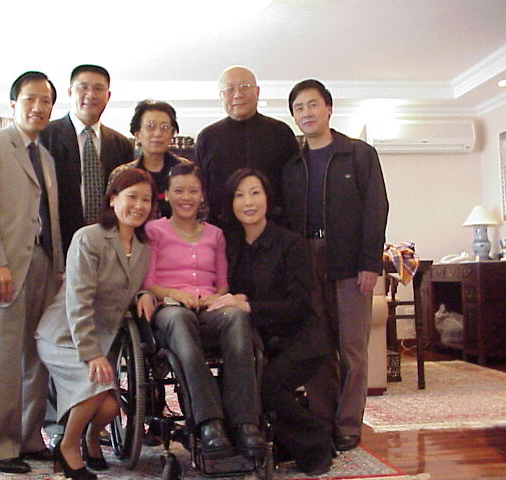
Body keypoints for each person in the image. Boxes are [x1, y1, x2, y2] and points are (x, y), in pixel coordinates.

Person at [0, 71, 64, 473]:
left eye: (46, 101)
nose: (38, 107)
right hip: (3, 266)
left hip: (42, 263)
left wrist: (57, 266)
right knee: (2, 359)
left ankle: (29, 437)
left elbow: (50, 216)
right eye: (30, 99)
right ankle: (0, 445)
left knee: (37, 356)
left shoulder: (46, 157)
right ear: (13, 104)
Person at [283, 79, 389, 451]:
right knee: (318, 346)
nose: (306, 113)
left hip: (350, 259)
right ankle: (323, 420)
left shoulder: (358, 154)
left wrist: (370, 263)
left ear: (329, 108)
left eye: (313, 104)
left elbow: (376, 208)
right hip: (306, 259)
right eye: (299, 107)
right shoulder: (292, 165)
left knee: (353, 348)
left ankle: (348, 424)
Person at [209, 168, 333, 475]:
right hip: (257, 343)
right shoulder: (230, 246)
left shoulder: (290, 244)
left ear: (268, 198)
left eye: (255, 193)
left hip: (301, 340)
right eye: (240, 195)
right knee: (232, 385)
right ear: (231, 203)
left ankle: (317, 442)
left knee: (264, 387)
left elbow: (299, 306)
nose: (248, 202)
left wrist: (248, 305)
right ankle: (268, 441)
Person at [36, 168, 157, 480]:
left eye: (146, 199)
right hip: (63, 336)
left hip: (103, 340)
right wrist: (92, 354)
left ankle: (92, 439)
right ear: (113, 199)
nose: (139, 205)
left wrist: (143, 294)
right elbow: (78, 300)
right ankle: (68, 447)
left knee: (109, 408)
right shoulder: (89, 238)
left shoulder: (144, 249)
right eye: (132, 196)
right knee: (94, 386)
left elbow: (127, 288)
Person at [143, 162, 266, 460]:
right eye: (179, 191)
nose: (186, 197)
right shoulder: (154, 231)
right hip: (169, 308)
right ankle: (209, 422)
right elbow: (147, 283)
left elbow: (222, 284)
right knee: (180, 319)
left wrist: (217, 297)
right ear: (167, 195)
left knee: (236, 316)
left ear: (202, 196)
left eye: (193, 191)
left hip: (209, 307)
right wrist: (176, 294)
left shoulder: (215, 235)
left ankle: (245, 423)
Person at [40, 64, 133, 256]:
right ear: (70, 92)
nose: (91, 94)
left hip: (109, 247)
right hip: (57, 247)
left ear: (108, 96)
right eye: (83, 87)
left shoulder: (122, 144)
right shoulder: (44, 137)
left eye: (98, 88)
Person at [194, 65, 300, 226]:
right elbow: (200, 189)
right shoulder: (207, 138)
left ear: (257, 91)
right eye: (229, 89)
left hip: (273, 230)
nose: (237, 94)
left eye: (244, 86)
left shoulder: (281, 133)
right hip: (222, 231)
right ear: (221, 96)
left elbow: (295, 187)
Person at [108, 99, 191, 218]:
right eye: (150, 126)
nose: (158, 133)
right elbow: (111, 216)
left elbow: (200, 214)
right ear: (137, 134)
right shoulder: (122, 174)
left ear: (172, 134)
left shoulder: (187, 170)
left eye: (165, 127)